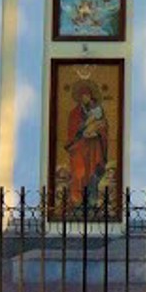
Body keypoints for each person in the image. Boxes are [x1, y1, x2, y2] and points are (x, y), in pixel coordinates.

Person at [66, 82, 108, 211]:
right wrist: (84, 127)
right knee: (80, 174)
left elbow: (104, 127)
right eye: (83, 96)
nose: (85, 98)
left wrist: (98, 130)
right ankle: (78, 202)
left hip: (94, 148)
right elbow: (72, 132)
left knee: (93, 174)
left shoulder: (98, 110)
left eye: (88, 95)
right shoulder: (74, 113)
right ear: (79, 98)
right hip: (79, 148)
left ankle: (92, 202)